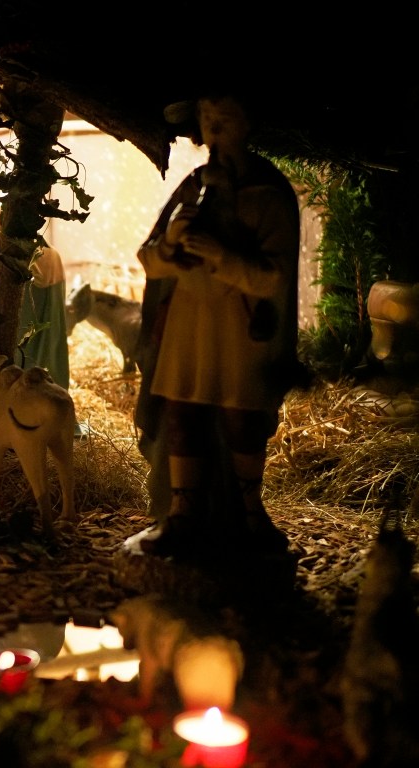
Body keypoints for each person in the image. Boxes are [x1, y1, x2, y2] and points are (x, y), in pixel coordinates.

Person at [132, 90, 301, 559]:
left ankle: (250, 513)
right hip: (188, 325)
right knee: (183, 412)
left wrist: (224, 258)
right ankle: (182, 514)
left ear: (249, 123)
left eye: (225, 117)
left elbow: (273, 278)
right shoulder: (192, 187)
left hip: (241, 331)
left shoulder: (268, 193)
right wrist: (170, 246)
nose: (215, 127)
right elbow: (150, 260)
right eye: (207, 118)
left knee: (241, 417)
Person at [0, 206, 71, 433]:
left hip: (23, 343)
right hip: (46, 339)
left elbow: (4, 312)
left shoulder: (14, 261)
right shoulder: (48, 254)